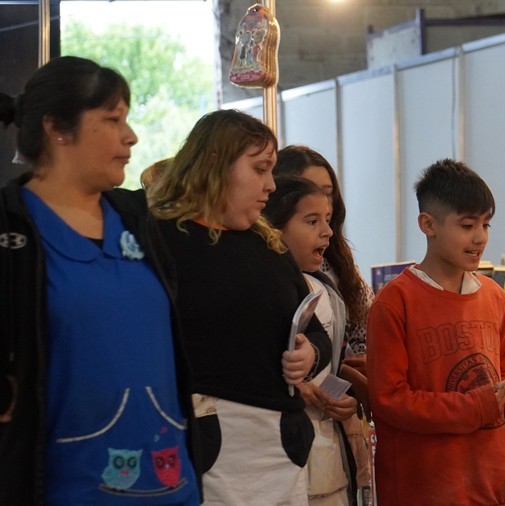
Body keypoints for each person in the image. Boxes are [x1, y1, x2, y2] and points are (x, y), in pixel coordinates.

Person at [0, 56, 200, 504]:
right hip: (64, 488)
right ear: (58, 128)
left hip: (172, 483)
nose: (130, 136)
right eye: (112, 119)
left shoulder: (136, 220)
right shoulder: (11, 229)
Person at [148, 109, 332, 504]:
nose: (270, 185)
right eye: (260, 169)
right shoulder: (159, 240)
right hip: (205, 443)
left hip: (282, 446)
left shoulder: (270, 246)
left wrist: (311, 353)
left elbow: (314, 328)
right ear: (215, 163)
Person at [367, 158, 505, 505]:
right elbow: (389, 401)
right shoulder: (395, 302)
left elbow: (502, 381)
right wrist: (471, 408)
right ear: (427, 224)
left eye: (486, 225)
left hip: (497, 485)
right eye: (467, 225)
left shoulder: (493, 296)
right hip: (428, 489)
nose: (479, 238)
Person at [273, 145, 374, 503]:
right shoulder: (270, 284)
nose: (326, 230)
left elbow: (331, 367)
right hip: (279, 451)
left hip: (327, 448)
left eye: (327, 209)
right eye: (311, 219)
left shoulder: (329, 279)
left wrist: (341, 396)